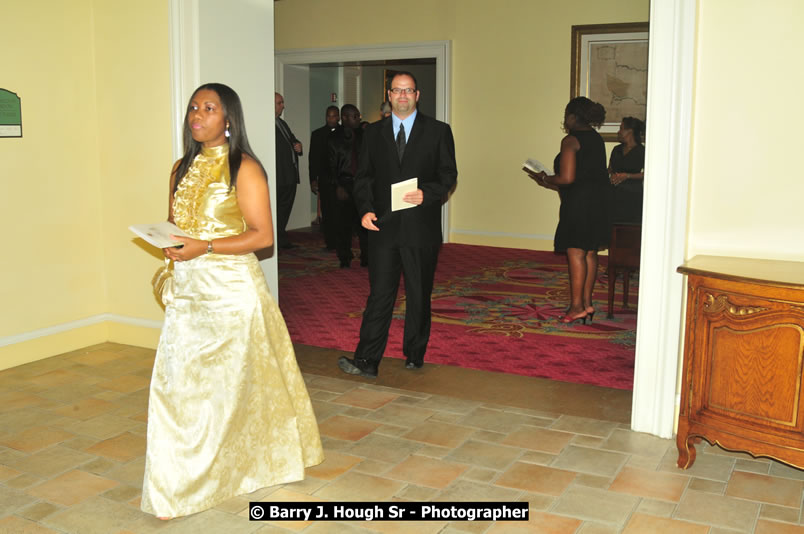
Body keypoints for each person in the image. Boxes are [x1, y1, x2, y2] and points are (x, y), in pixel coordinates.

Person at [141, 83, 324, 519]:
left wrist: (202, 246)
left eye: (209, 108)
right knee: (179, 387)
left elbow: (263, 238)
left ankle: (237, 467)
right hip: (187, 292)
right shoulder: (179, 168)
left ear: (229, 119)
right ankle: (183, 479)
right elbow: (177, 223)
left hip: (231, 293)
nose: (198, 115)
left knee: (236, 389)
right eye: (193, 108)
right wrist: (169, 241)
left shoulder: (244, 167)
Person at [338, 71, 458, 378]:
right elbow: (363, 176)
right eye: (396, 91)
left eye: (408, 91)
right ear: (389, 96)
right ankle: (367, 359)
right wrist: (364, 210)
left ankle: (415, 353)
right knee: (380, 293)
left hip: (421, 227)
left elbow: (448, 175)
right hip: (383, 227)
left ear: (417, 95)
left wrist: (427, 194)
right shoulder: (374, 133)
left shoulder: (438, 131)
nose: (402, 96)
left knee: (419, 293)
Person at [530, 96, 609, 325]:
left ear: (573, 117)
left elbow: (567, 178)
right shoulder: (596, 139)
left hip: (579, 204)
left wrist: (544, 177)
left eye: (567, 115)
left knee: (575, 253)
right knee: (590, 253)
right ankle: (586, 304)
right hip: (598, 202)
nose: (565, 120)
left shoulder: (571, 140)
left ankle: (575, 307)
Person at [329, 104, 368, 268]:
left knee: (365, 224)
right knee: (343, 225)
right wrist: (337, 186)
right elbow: (329, 166)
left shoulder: (365, 136)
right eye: (355, 116)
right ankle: (344, 258)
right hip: (343, 184)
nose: (359, 118)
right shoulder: (333, 138)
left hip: (362, 185)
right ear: (345, 118)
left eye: (358, 115)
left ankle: (367, 257)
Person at [275, 92, 303, 249]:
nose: (282, 106)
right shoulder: (267, 123)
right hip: (279, 176)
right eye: (279, 103)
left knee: (285, 209)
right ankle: (277, 239)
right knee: (277, 209)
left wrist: (298, 145)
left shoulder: (281, 123)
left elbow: (292, 139)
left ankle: (281, 237)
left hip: (290, 175)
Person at [309, 105, 339, 249]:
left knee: (340, 212)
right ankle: (330, 242)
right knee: (327, 211)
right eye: (329, 116)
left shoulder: (346, 133)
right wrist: (313, 179)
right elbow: (313, 159)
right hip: (325, 179)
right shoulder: (317, 134)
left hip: (342, 181)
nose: (331, 119)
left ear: (338, 117)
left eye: (334, 116)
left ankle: (342, 242)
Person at [609, 116, 646, 223]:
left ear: (630, 131)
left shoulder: (642, 151)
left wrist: (627, 176)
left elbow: (648, 174)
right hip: (615, 195)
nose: (619, 132)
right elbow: (610, 169)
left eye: (621, 128)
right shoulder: (616, 149)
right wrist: (612, 176)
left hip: (633, 196)